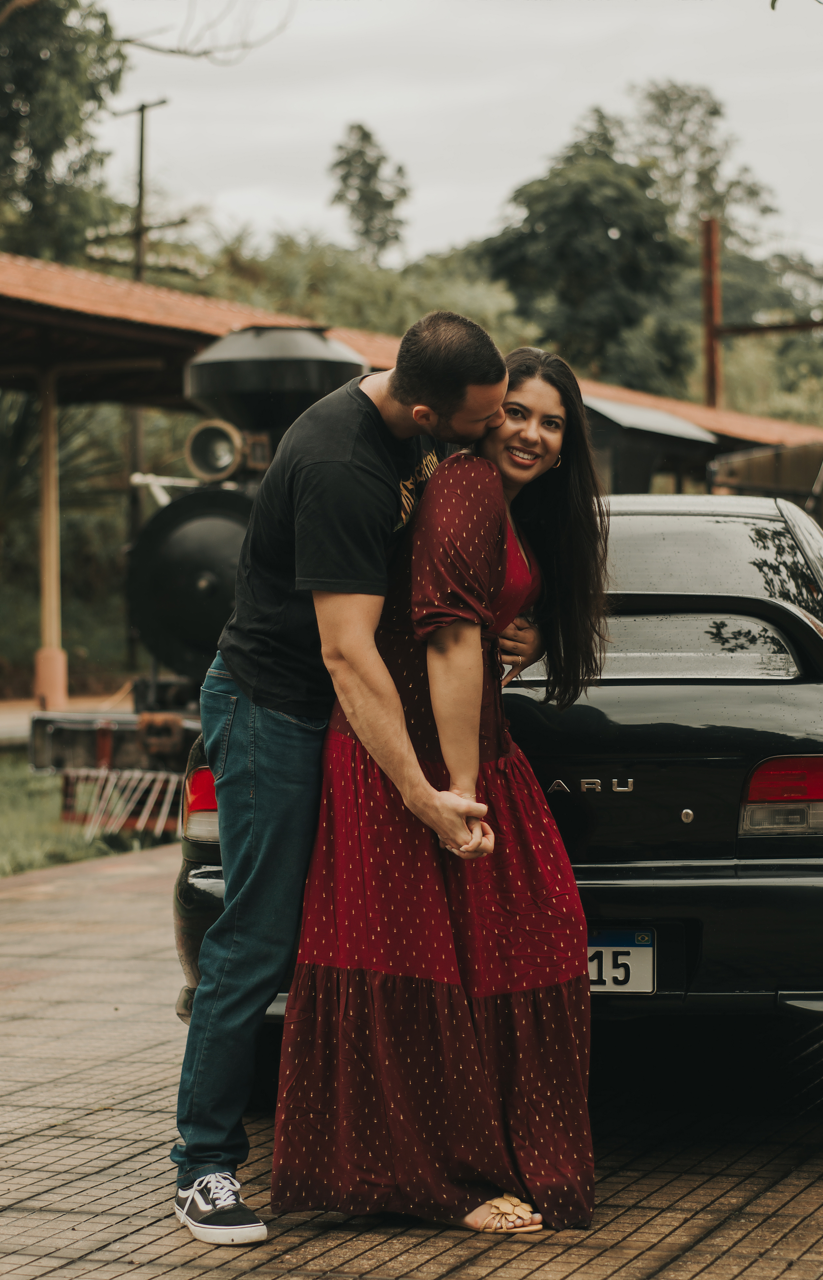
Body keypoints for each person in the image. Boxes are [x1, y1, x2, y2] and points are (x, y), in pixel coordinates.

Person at [172, 313, 544, 1245]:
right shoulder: (345, 468)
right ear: (423, 407)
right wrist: (423, 793)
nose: (497, 430)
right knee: (257, 935)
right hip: (277, 710)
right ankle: (203, 1165)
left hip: (339, 712)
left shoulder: (408, 413)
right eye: (483, 417)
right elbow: (344, 652)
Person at [272, 347, 609, 1233]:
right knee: (417, 958)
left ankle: (482, 1156)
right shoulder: (465, 485)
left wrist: (524, 634)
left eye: (552, 423)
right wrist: (455, 792)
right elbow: (449, 638)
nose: (531, 434)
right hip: (410, 756)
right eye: (517, 414)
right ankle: (443, 1185)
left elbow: (478, 620)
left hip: (461, 745)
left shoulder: (488, 497)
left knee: (519, 940)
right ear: (482, 415)